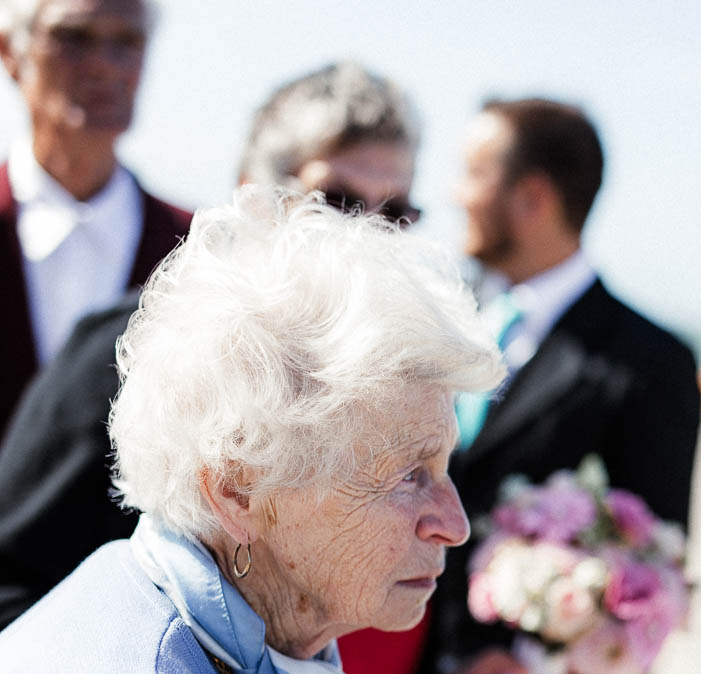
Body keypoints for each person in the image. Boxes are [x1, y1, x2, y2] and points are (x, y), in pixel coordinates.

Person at [0, 186, 503, 674]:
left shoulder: (191, 623)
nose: (454, 522)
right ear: (238, 490)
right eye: (408, 474)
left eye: (444, 467)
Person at [375, 98, 701, 674]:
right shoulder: (442, 314)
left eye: (475, 172)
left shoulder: (645, 363)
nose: (456, 193)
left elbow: (658, 559)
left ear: (533, 197)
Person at [0, 61, 419, 629]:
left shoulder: (401, 390)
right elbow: (12, 577)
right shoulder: (135, 345)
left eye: (395, 213)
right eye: (338, 202)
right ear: (257, 196)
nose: (367, 233)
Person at [0, 0, 189, 435]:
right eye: (74, 38)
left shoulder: (193, 253)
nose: (104, 66)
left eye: (127, 41)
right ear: (12, 52)